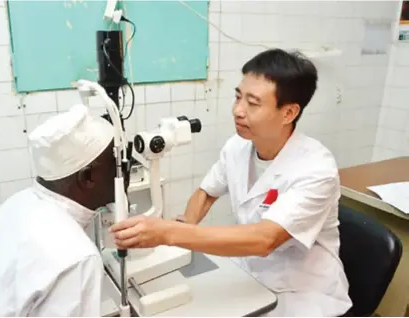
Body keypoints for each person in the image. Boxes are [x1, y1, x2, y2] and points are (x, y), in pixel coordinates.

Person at [110, 48, 352, 316]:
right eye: (238, 97)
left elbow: (265, 239)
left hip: (303, 296)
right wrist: (186, 225)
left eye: (253, 103)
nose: (238, 111)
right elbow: (207, 192)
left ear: (288, 113)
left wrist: (168, 232)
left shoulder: (316, 169)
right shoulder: (238, 146)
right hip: (250, 277)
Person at [0, 104, 126, 316]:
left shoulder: (18, 204)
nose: (125, 168)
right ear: (87, 177)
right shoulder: (78, 259)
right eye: (116, 162)